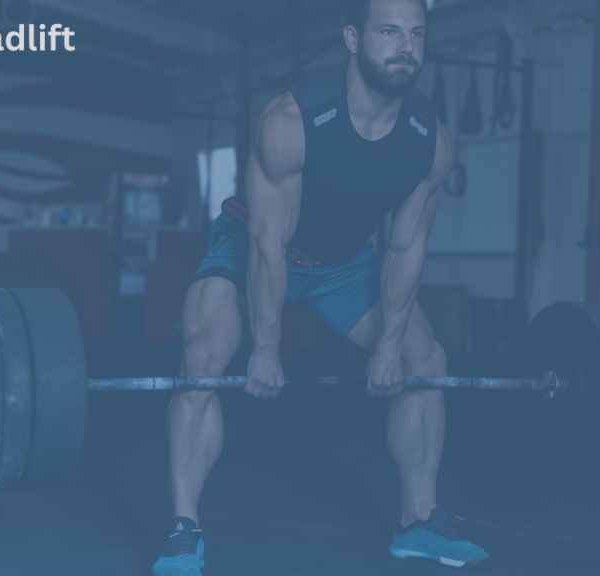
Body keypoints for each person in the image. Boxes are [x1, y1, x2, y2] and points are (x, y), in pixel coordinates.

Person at [152, 0, 490, 573]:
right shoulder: (291, 121)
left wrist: (388, 348)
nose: (406, 45)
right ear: (353, 40)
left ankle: (418, 523)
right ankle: (185, 528)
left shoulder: (428, 140)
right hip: (250, 249)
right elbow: (267, 243)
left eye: (416, 33)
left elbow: (406, 247)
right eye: (389, 31)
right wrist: (264, 347)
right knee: (204, 357)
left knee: (426, 359)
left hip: (343, 266)